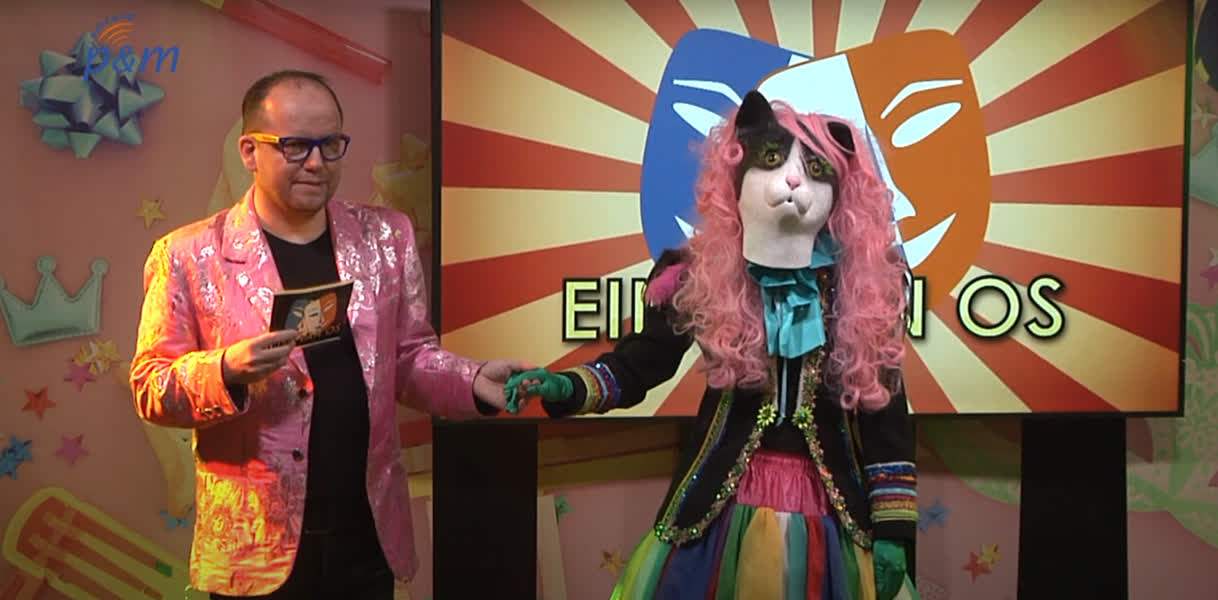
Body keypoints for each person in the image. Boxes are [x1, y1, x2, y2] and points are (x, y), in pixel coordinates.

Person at [507, 90, 920, 600]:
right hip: (717, 509)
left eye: (817, 170)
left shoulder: (863, 292)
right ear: (736, 174)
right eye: (774, 159)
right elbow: (640, 364)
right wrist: (566, 386)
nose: (795, 179)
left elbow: (884, 411)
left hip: (833, 512)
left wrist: (894, 529)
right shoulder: (696, 275)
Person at [129, 70, 526, 599]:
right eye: (295, 146)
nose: (316, 162)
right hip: (255, 549)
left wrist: (472, 381)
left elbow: (408, 357)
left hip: (366, 536)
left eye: (330, 144)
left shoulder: (387, 236)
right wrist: (226, 371)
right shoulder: (187, 255)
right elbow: (151, 385)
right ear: (249, 151)